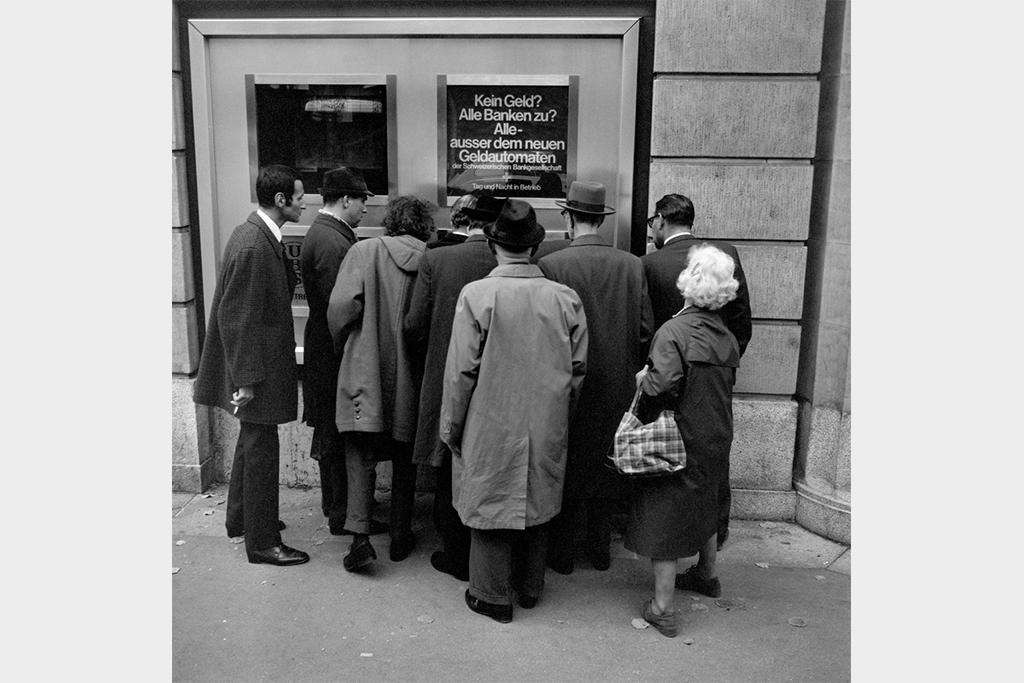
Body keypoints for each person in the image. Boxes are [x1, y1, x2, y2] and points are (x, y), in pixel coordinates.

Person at [440, 199, 588, 623]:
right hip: (545, 420)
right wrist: (560, 416)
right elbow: (578, 372)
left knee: (489, 502)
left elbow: (460, 373)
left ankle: (490, 595)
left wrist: (452, 427)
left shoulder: (478, 295)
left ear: (493, 244)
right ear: (534, 247)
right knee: (536, 499)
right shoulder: (565, 298)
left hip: (488, 420)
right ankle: (530, 588)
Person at [193, 164, 310, 566]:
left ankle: (241, 520)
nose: (303, 203)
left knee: (251, 442)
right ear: (280, 201)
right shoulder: (255, 245)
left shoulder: (255, 237)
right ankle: (263, 543)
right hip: (257, 371)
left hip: (257, 366)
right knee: (262, 451)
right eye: (298, 197)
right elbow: (237, 318)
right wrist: (245, 381)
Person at [538, 181, 653, 574]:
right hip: (617, 380)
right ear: (599, 219)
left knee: (569, 462)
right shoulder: (631, 264)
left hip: (569, 378)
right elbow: (644, 329)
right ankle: (600, 549)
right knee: (608, 462)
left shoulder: (552, 264)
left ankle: (564, 554)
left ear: (568, 217)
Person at [627, 244, 740, 638]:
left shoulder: (673, 331)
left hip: (678, 434)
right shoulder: (724, 334)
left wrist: (643, 379)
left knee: (664, 513)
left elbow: (660, 385)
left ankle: (662, 608)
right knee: (707, 499)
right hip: (716, 432)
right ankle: (707, 575)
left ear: (688, 284)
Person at [327, 195, 436, 572]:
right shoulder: (431, 258)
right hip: (411, 374)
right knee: (405, 454)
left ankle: (359, 538)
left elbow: (341, 309)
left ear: (391, 221)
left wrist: (346, 346)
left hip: (364, 366)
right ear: (424, 225)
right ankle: (401, 536)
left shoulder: (364, 251)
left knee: (360, 452)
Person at [641, 192, 752, 549]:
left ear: (660, 220)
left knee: (666, 472)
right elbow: (742, 322)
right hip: (714, 377)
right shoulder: (725, 256)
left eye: (651, 224)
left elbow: (644, 327)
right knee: (713, 461)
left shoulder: (649, 263)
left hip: (664, 375)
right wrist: (722, 360)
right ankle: (712, 542)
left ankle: (667, 566)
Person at [404, 194, 504, 582]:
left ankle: (454, 550)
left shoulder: (436, 258)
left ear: (462, 221)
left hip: (444, 372)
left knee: (448, 463)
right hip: (496, 380)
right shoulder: (508, 261)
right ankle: (487, 554)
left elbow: (414, 324)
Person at [298, 167, 387, 537]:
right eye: (363, 199)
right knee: (337, 434)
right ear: (346, 199)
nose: (366, 207)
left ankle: (340, 505)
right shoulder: (335, 242)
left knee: (332, 432)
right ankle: (341, 512)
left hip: (322, 348)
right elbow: (341, 308)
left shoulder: (326, 234)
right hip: (333, 353)